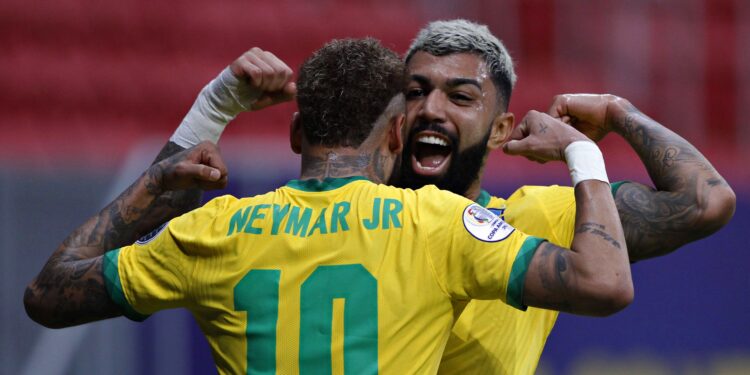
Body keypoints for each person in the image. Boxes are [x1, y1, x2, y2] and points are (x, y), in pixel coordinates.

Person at [159, 20, 737, 374]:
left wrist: (617, 112)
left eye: (460, 97)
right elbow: (161, 237)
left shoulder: (540, 218)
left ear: (504, 129)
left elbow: (706, 200)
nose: (430, 109)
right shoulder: (325, 212)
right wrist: (212, 111)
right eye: (415, 92)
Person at [25, 38, 634, 374]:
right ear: (395, 136)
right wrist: (582, 152)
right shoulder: (436, 224)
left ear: (294, 134)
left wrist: (192, 135)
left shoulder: (213, 229)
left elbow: (49, 295)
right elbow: (604, 282)